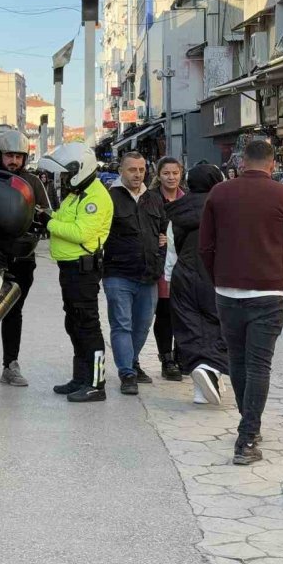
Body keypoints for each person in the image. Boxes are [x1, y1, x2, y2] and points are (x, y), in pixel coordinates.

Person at [200, 140, 283, 466]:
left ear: (242, 162)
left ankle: (249, 425)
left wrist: (219, 275)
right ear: (272, 164)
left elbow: (205, 246)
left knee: (238, 361)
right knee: (260, 365)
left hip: (227, 292)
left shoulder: (220, 193)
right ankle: (247, 436)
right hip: (269, 293)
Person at [39, 142, 114, 402]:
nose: (63, 178)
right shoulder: (77, 192)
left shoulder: (95, 196)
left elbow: (81, 232)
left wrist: (49, 222)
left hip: (83, 270)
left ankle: (96, 384)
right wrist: (49, 217)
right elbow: (63, 219)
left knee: (87, 326)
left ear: (79, 169)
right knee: (74, 324)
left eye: (66, 173)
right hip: (69, 269)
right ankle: (80, 378)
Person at [102, 152, 167, 396]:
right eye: (132, 170)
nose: (138, 174)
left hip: (149, 275)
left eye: (141, 169)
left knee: (141, 327)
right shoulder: (110, 198)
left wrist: (159, 262)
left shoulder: (153, 199)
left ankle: (132, 361)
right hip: (118, 273)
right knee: (122, 324)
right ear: (121, 170)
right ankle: (127, 372)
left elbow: (163, 234)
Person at [0, 130, 52, 387]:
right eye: (9, 156)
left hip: (21, 256)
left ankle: (10, 365)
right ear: (0, 156)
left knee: (13, 311)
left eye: (18, 156)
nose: (13, 161)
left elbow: (48, 213)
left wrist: (40, 219)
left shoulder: (33, 183)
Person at [166, 164, 229, 405]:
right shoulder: (224, 207)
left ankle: (200, 388)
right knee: (217, 325)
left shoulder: (177, 210)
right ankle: (212, 370)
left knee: (190, 328)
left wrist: (170, 279)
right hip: (216, 274)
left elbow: (171, 248)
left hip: (184, 273)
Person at [149, 157, 185, 381]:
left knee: (183, 313)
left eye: (175, 173)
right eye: (166, 173)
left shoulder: (187, 199)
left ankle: (182, 356)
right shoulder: (151, 200)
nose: (171, 177)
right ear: (159, 175)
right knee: (164, 314)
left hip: (184, 265)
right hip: (161, 264)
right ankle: (167, 358)